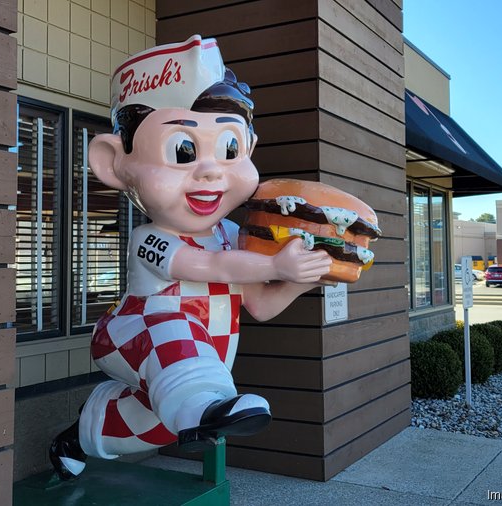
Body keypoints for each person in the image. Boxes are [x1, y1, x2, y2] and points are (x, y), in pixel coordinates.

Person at [50, 35, 331, 480]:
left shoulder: (235, 236)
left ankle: (83, 432)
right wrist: (277, 265)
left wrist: (305, 278)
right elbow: (207, 267)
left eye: (230, 149)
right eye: (182, 151)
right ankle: (198, 399)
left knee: (163, 423)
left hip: (205, 360)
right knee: (176, 343)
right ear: (114, 163)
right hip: (133, 334)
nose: (211, 171)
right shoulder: (149, 238)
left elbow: (260, 305)